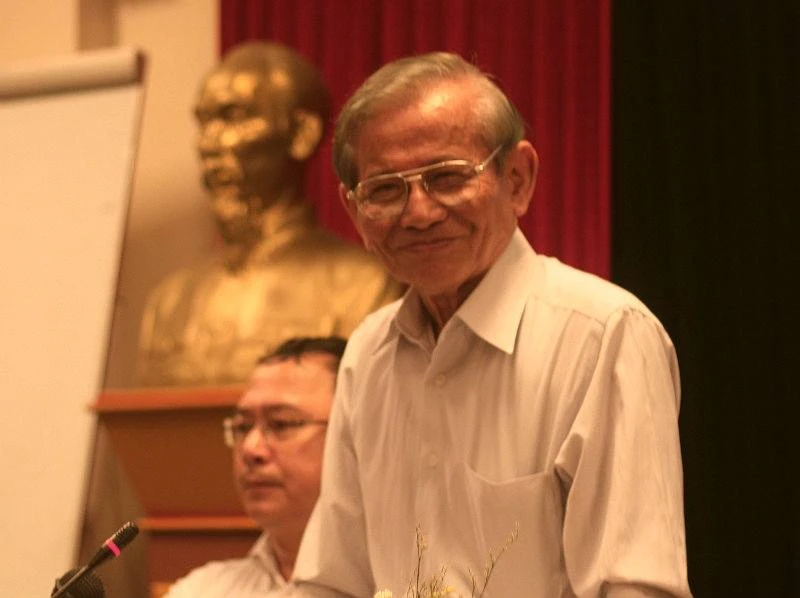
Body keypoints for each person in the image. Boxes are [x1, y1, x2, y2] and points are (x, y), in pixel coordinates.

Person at [291, 52, 692, 597]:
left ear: (517, 179)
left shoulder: (603, 335)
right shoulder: (368, 352)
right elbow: (333, 583)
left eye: (447, 178)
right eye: (385, 189)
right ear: (353, 209)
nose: (419, 213)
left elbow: (633, 587)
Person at [138, 42, 402, 386]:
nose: (207, 144)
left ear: (302, 133)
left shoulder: (364, 286)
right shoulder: (169, 303)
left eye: (233, 116)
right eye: (203, 121)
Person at [163, 336, 347, 598]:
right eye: (243, 427)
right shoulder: (203, 590)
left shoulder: (394, 583)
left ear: (350, 433)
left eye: (282, 423)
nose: (250, 449)